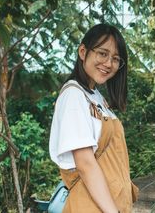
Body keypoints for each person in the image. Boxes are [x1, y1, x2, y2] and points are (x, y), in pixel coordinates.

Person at [49, 23, 139, 213]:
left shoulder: (95, 96)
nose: (108, 63)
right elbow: (85, 164)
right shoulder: (74, 95)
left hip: (109, 205)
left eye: (115, 58)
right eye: (102, 53)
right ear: (83, 52)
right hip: (91, 206)